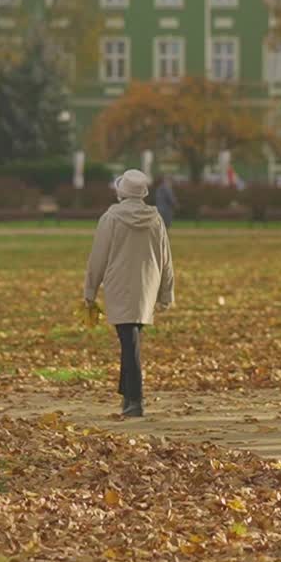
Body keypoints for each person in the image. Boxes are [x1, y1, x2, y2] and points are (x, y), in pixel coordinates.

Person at [84, 170, 175, 418]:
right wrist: (166, 292)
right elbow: (166, 258)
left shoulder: (111, 218)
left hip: (119, 284)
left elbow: (98, 257)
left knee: (128, 339)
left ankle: (134, 398)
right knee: (130, 338)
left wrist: (90, 290)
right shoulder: (155, 219)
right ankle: (127, 394)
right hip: (147, 285)